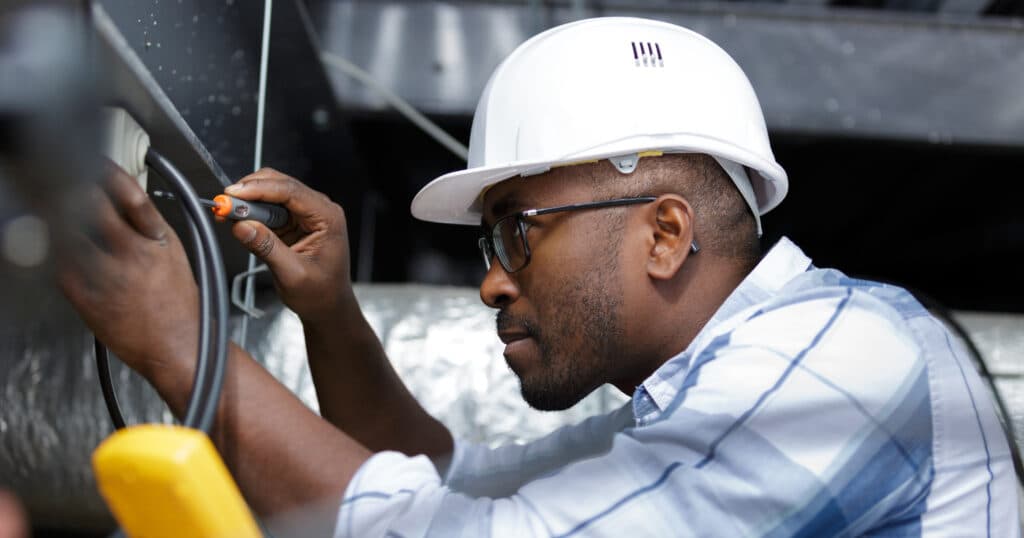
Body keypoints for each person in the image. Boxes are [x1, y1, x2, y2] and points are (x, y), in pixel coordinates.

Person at [58, 17, 1018, 537]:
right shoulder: (706, 402)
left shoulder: (841, 365)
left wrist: (181, 341)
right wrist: (331, 314)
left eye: (518, 233)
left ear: (665, 233)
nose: (490, 283)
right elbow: (451, 483)